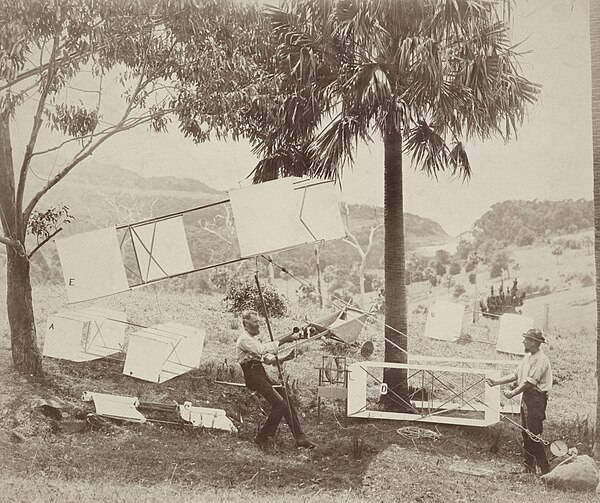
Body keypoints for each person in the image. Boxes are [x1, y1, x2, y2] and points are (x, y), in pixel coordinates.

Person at [236, 309, 316, 450]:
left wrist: (286, 358)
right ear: (246, 324)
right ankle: (262, 437)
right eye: (255, 322)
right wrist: (285, 339)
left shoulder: (252, 340)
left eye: (259, 322)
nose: (258, 325)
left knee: (286, 397)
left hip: (260, 374)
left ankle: (300, 438)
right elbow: (261, 350)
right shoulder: (244, 339)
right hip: (253, 377)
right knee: (280, 404)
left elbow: (266, 359)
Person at [486, 328, 552, 475]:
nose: (523, 341)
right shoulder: (527, 357)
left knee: (533, 434)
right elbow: (516, 374)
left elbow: (529, 383)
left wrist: (513, 393)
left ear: (534, 342)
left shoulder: (541, 360)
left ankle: (545, 470)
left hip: (536, 400)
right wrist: (497, 382)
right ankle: (529, 468)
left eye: (526, 339)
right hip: (527, 398)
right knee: (525, 433)